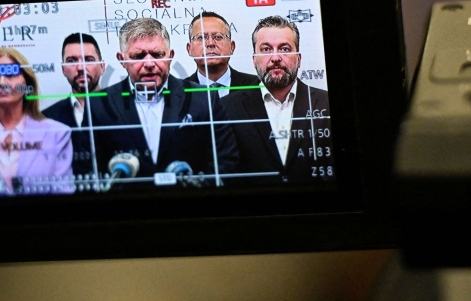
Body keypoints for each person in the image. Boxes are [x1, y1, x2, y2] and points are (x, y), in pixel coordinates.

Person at [89, 17, 239, 185]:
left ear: (170, 56)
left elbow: (226, 162)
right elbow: (90, 167)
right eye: (138, 56)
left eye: (157, 54)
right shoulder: (98, 105)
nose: (149, 63)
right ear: (122, 59)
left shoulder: (204, 99)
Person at [222, 15, 333, 184]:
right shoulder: (227, 108)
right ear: (254, 59)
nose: (275, 57)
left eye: (284, 49)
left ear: (299, 58)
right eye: (266, 49)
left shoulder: (326, 103)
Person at [0, 46, 74, 196]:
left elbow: (63, 195)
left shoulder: (57, 133)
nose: (2, 82)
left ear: (27, 84)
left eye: (10, 75)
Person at [44, 33, 106, 179]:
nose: (80, 67)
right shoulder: (46, 119)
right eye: (72, 61)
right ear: (63, 69)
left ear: (102, 67)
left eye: (89, 60)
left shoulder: (126, 112)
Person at [185, 11, 261, 97]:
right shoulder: (179, 92)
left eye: (218, 37)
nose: (210, 43)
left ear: (232, 46)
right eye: (201, 37)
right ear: (189, 49)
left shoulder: (256, 86)